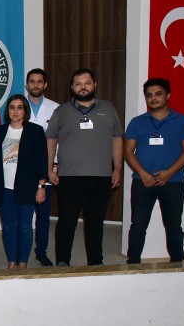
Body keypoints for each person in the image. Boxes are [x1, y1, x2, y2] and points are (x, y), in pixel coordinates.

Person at [47, 68, 123, 267]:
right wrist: (49, 168)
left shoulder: (109, 109)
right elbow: (51, 140)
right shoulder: (61, 111)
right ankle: (62, 261)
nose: (83, 87)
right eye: (78, 84)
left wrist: (117, 169)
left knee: (96, 222)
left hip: (101, 176)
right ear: (72, 87)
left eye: (87, 83)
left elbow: (117, 138)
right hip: (69, 177)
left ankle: (95, 262)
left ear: (94, 84)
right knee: (67, 220)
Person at [124, 78, 184, 264]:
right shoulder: (137, 122)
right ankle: (133, 263)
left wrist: (169, 172)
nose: (153, 98)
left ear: (168, 95)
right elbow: (128, 151)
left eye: (158, 94)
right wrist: (143, 173)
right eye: (149, 95)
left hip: (173, 182)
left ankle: (177, 263)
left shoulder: (183, 121)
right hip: (142, 182)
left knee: (174, 226)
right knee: (138, 225)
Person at [0, 94, 48, 269]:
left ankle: (23, 263)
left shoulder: (35, 131)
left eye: (19, 107)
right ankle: (11, 262)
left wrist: (41, 186)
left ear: (25, 110)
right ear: (7, 111)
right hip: (4, 188)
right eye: (12, 107)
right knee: (8, 227)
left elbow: (42, 161)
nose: (15, 111)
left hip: (27, 188)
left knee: (24, 227)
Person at [25, 68, 60, 267]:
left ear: (45, 84)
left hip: (46, 169)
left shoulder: (56, 108)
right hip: (23, 171)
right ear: (27, 84)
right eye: (32, 81)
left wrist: (54, 166)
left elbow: (61, 141)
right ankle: (22, 252)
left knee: (43, 214)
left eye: (40, 81)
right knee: (24, 215)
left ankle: (41, 252)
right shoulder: (18, 107)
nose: (36, 85)